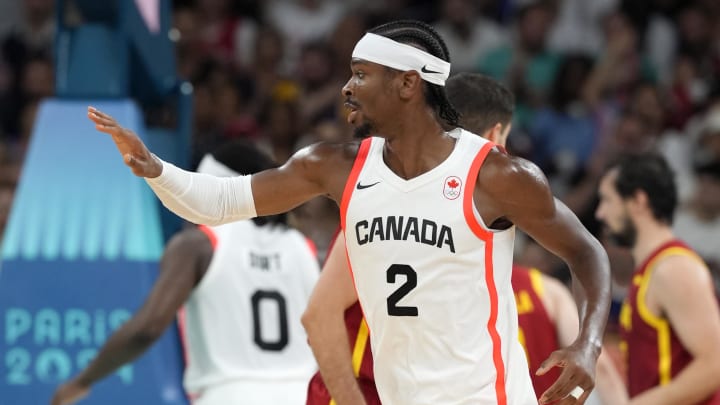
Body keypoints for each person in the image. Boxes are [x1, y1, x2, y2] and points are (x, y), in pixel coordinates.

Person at [88, 20, 611, 405]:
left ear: (407, 84)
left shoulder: (497, 176)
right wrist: (152, 166)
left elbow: (587, 253)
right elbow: (220, 202)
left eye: (361, 75)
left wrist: (588, 343)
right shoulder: (335, 166)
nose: (345, 88)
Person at [302, 73, 596, 405]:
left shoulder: (475, 212)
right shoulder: (384, 206)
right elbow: (318, 315)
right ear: (496, 134)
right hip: (360, 392)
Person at [51, 141, 320, 405]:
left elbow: (146, 328)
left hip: (226, 394)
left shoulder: (198, 245)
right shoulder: (306, 247)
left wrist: (81, 382)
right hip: (306, 394)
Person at [594, 154, 720, 404]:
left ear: (638, 201)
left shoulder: (673, 269)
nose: (600, 213)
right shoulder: (652, 268)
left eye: (608, 200)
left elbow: (715, 363)